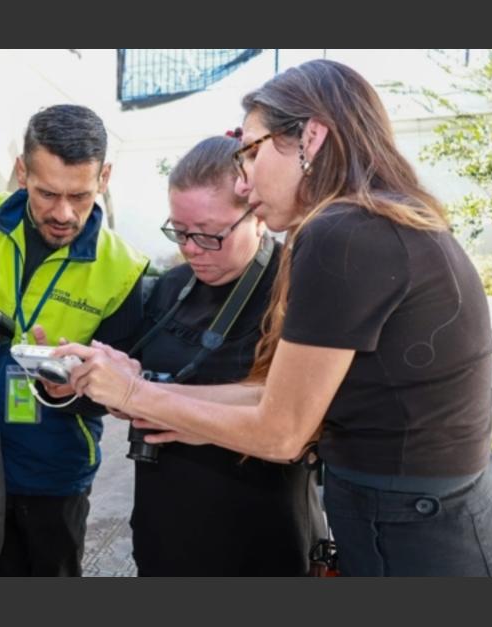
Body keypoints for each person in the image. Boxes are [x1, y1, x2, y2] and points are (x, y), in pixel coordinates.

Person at [57, 60, 492, 576]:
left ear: (310, 137)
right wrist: (155, 393)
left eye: (251, 151)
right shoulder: (375, 218)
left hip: (423, 539)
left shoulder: (341, 232)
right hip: (444, 526)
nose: (242, 181)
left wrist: (133, 394)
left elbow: (280, 431)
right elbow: (276, 393)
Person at [0, 104, 148, 576]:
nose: (63, 214)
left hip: (56, 467)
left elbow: (122, 390)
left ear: (104, 177)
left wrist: (76, 390)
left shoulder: (123, 268)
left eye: (80, 195)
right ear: (22, 171)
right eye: (47, 193)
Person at [126, 135, 321, 576]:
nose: (192, 248)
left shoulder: (297, 287)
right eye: (180, 231)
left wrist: (158, 399)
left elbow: (304, 420)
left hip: (258, 538)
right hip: (164, 529)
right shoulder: (172, 287)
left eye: (210, 235)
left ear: (257, 214)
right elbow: (140, 379)